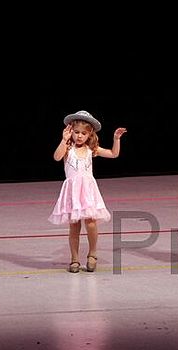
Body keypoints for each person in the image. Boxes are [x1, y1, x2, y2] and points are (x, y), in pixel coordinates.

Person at [49, 110, 127, 273]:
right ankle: (74, 259)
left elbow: (114, 154)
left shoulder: (92, 149)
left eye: (83, 133)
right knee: (74, 226)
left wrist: (116, 139)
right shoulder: (68, 149)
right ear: (71, 132)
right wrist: (64, 140)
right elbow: (56, 157)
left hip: (87, 193)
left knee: (91, 223)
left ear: (89, 134)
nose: (79, 136)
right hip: (72, 193)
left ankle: (92, 253)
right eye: (76, 132)